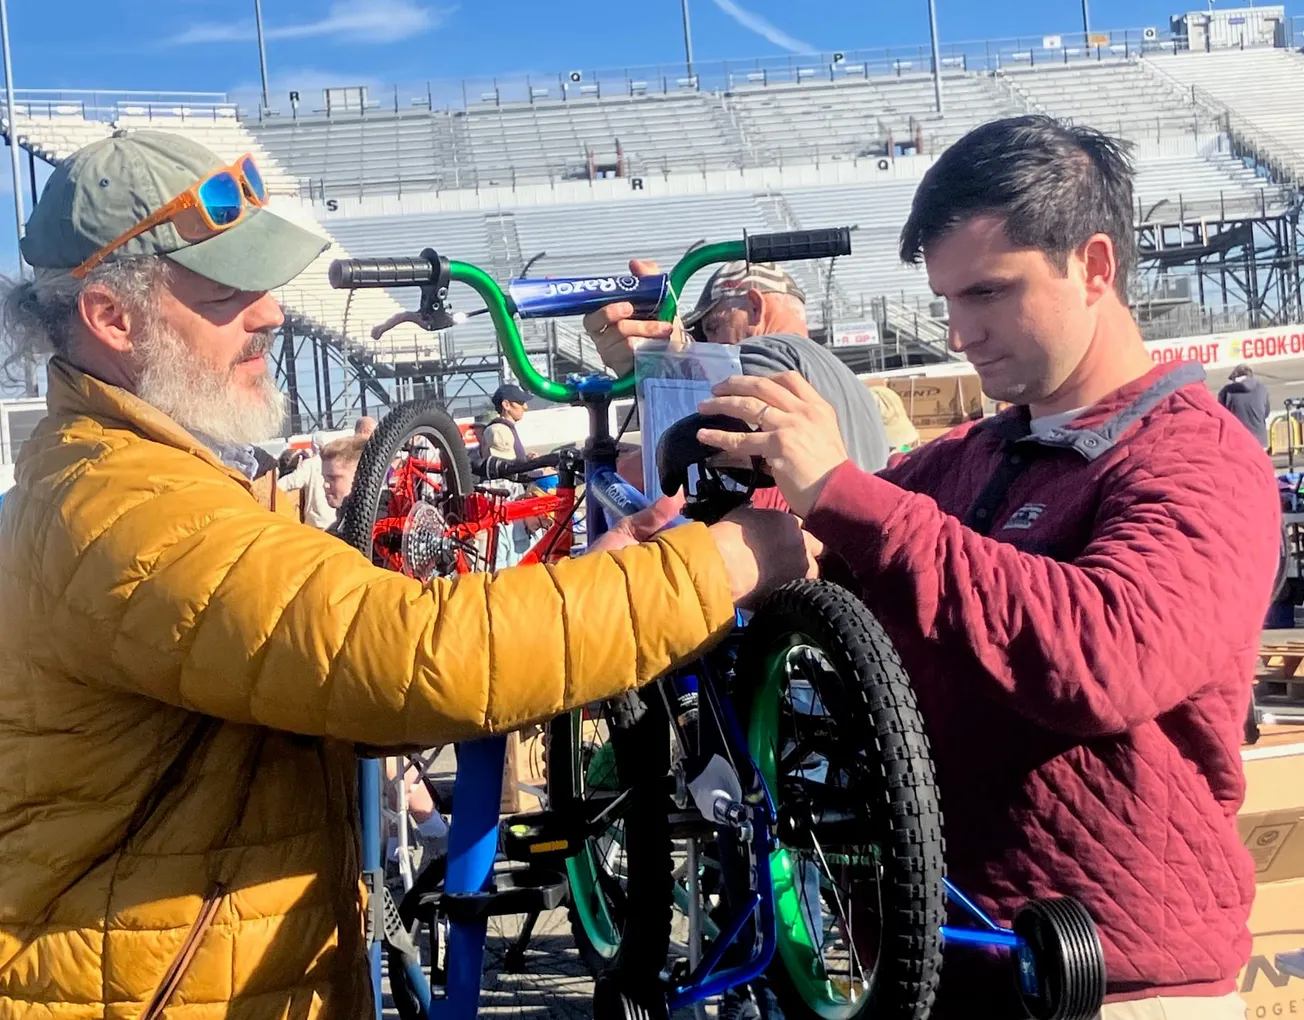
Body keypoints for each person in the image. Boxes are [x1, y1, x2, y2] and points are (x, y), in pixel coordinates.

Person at [0, 129, 818, 1020]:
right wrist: (728, 560)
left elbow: (324, 683)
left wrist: (583, 590)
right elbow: (404, 662)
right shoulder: (126, 509)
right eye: (229, 293)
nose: (271, 313)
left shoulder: (124, 473)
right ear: (113, 318)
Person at [597, 115, 1280, 1020]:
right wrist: (663, 553)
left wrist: (840, 491)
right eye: (947, 300)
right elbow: (824, 544)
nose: (961, 332)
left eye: (989, 294)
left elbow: (1102, 657)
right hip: (931, 971)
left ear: (1095, 267)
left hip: (1111, 989)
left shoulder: (1197, 459)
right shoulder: (971, 454)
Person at [586, 259, 892, 495]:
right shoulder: (849, 382)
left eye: (714, 327)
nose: (711, 341)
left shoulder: (764, 352)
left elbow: (701, 459)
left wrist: (662, 364)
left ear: (755, 308)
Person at [1218, 363, 1271, 448]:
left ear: (1235, 377)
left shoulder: (1227, 391)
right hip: (1260, 441)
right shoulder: (1262, 388)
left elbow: (1220, 415)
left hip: (1238, 441)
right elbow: (1266, 413)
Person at [320, 432, 368, 509]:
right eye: (325, 478)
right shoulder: (347, 518)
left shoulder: (383, 519)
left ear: (361, 477)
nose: (325, 485)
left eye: (334, 478)